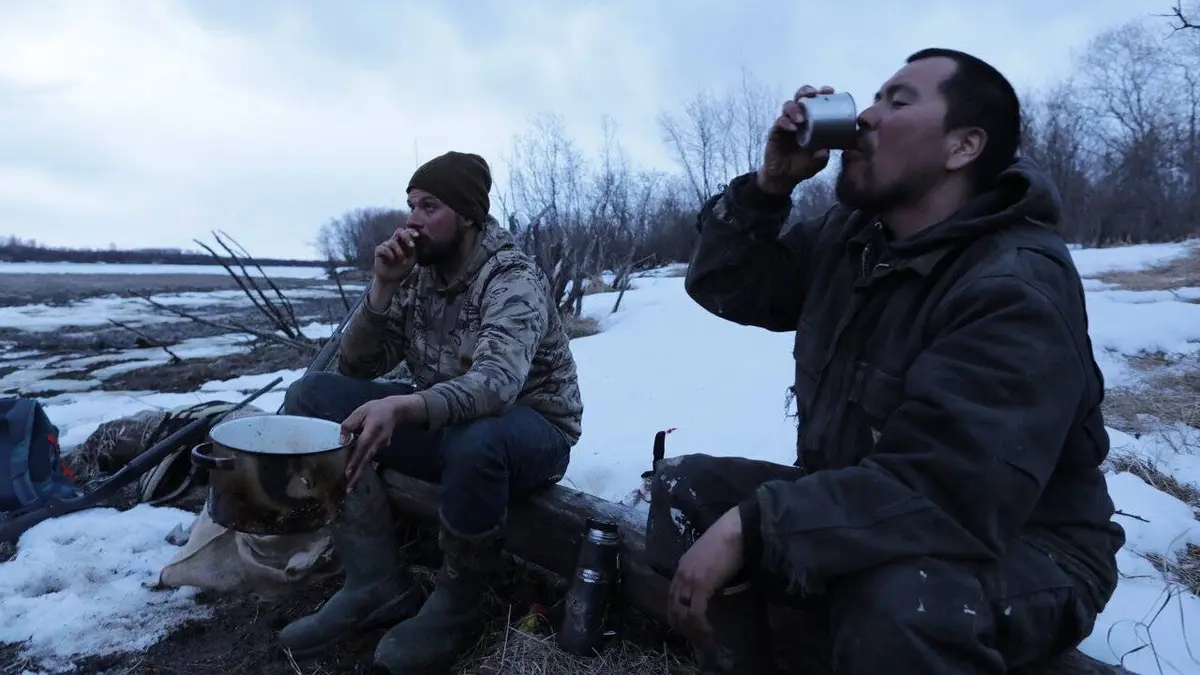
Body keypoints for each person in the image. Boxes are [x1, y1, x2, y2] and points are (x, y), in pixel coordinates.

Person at [644, 48, 1126, 675]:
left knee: (899, 604)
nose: (866, 116)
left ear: (963, 146)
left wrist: (754, 526)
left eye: (898, 101)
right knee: (685, 489)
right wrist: (769, 189)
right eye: (873, 98)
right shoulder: (853, 237)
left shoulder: (1014, 285)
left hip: (1022, 545)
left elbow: (950, 491)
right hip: (871, 505)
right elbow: (725, 284)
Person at [277, 151, 584, 674]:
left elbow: (497, 386)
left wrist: (404, 405)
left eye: (429, 206)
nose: (413, 220)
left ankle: (459, 603)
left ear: (468, 215)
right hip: (447, 422)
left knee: (477, 438)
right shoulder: (419, 275)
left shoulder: (512, 276)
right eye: (411, 205)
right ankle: (375, 581)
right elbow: (357, 365)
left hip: (532, 432)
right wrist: (382, 287)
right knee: (310, 398)